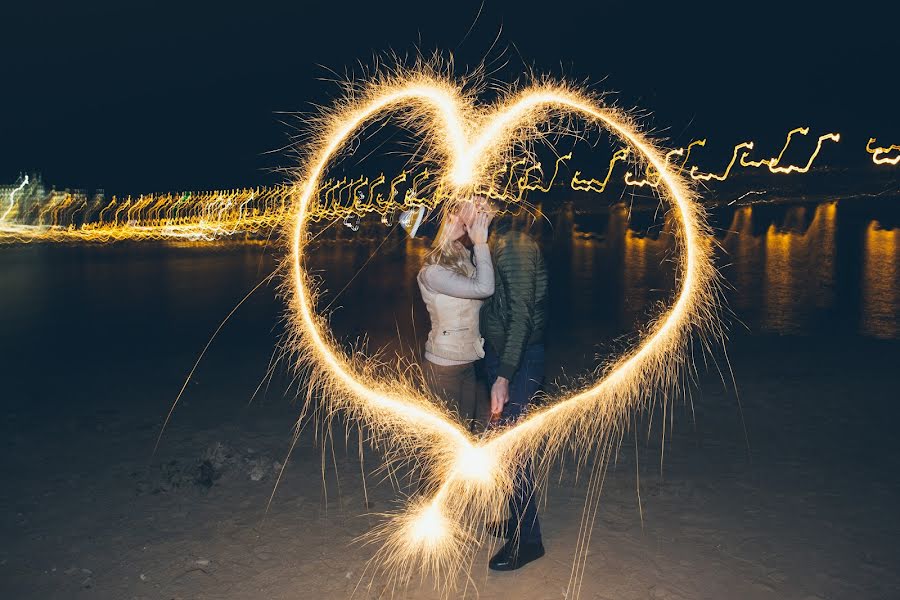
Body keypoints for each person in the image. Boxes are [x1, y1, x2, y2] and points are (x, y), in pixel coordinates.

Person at [481, 202, 548, 571]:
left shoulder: (514, 245)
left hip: (518, 361)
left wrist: (505, 374)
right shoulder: (495, 241)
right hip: (505, 355)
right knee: (505, 446)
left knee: (514, 450)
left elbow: (522, 314)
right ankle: (516, 519)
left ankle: (529, 540)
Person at [417, 198, 494, 431]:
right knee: (447, 438)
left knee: (463, 433)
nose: (458, 219)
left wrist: (482, 216)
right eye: (450, 218)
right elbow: (484, 288)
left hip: (468, 359)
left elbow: (487, 273)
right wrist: (481, 244)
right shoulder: (432, 273)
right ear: (439, 229)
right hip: (444, 366)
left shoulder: (459, 252)